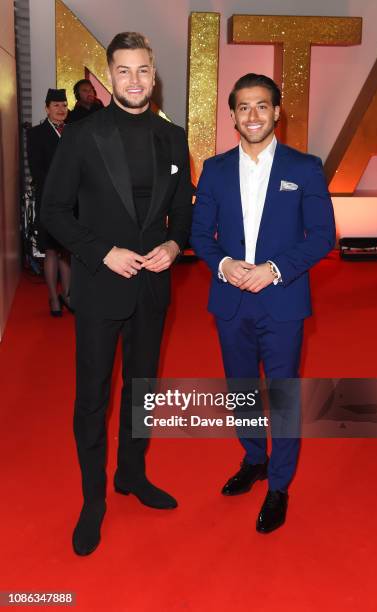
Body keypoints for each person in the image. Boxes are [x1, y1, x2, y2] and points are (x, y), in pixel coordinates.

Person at [41, 32, 192, 555]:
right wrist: (101, 251)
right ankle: (93, 501)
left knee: (143, 390)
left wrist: (175, 244)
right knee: (93, 398)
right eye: (123, 71)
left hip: (152, 287)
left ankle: (131, 474)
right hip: (101, 287)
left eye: (143, 70)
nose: (134, 80)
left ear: (155, 75)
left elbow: (186, 209)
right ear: (107, 78)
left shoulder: (173, 138)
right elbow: (53, 211)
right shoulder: (84, 136)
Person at [191, 73, 335, 534]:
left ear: (277, 112)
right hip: (231, 300)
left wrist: (272, 269)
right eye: (243, 107)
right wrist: (225, 263)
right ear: (232, 115)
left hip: (283, 300)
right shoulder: (213, 170)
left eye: (261, 106)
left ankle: (279, 484)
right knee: (241, 391)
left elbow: (322, 236)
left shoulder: (305, 167)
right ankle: (254, 458)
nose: (252, 115)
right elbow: (199, 236)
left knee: (283, 395)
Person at [27, 88, 72, 316]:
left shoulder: (74, 132)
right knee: (51, 250)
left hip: (73, 201)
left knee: (68, 249)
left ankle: (69, 294)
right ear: (46, 108)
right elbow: (37, 170)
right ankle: (53, 297)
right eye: (56, 105)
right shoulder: (35, 134)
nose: (61, 109)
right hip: (48, 199)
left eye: (64, 105)